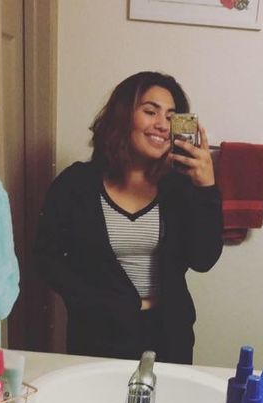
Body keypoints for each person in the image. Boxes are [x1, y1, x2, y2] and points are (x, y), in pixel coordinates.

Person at [34, 71, 223, 364]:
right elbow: (46, 257)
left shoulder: (180, 187)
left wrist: (206, 189)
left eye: (171, 116)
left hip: (169, 335)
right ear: (123, 116)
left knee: (168, 396)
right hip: (97, 336)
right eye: (150, 111)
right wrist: (92, 302)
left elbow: (203, 259)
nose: (162, 124)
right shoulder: (76, 184)